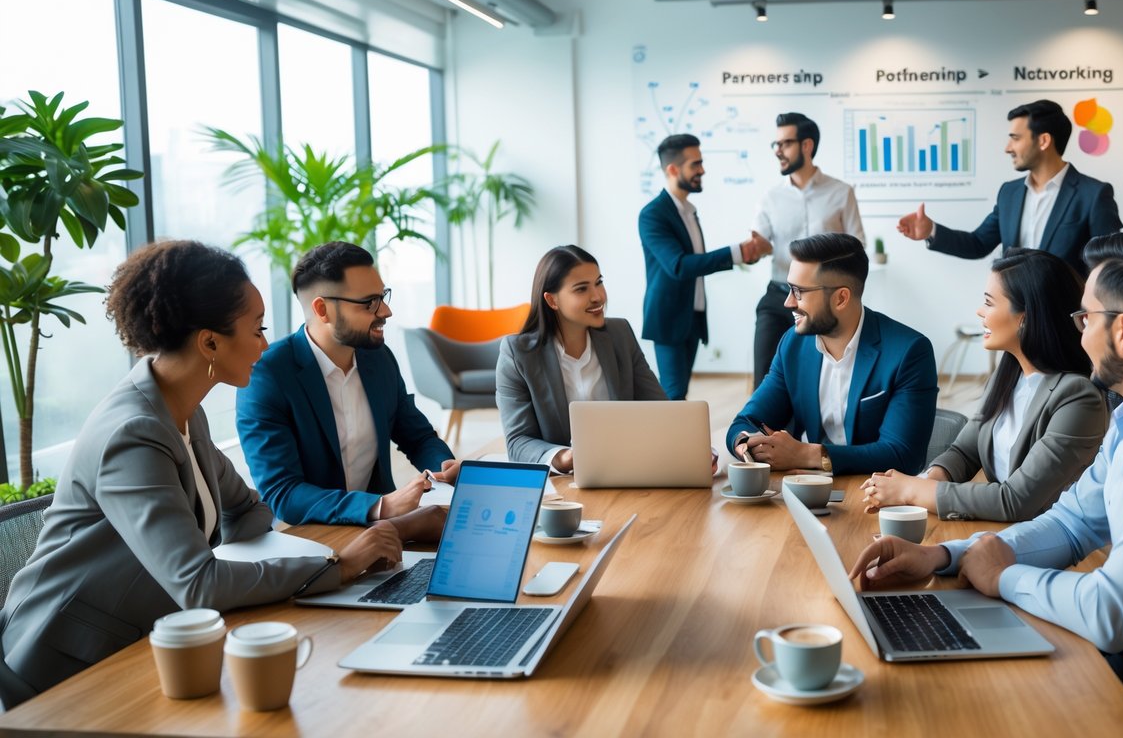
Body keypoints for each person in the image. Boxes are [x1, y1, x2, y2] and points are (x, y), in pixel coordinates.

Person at [849, 231, 1123, 738]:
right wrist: (945, 558)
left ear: (1122, 330)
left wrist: (1002, 577)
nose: (1077, 334)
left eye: (1084, 318)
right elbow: (1074, 524)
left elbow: (1112, 613)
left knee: (966, 705)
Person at [0, 241, 415, 706]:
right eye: (257, 329)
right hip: (68, 666)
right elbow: (198, 584)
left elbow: (249, 512)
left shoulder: (181, 409)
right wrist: (337, 566)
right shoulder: (134, 433)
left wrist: (261, 571)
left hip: (156, 638)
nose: (265, 343)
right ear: (210, 342)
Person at [861, 249, 1107, 521]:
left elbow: (1015, 500)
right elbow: (964, 452)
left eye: (989, 303)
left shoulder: (1078, 398)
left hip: (1052, 547)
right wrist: (929, 479)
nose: (979, 311)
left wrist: (912, 490)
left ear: (1024, 317)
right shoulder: (1009, 374)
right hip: (1000, 533)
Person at [236, 242, 459, 527]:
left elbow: (417, 436)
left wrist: (444, 468)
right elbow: (283, 493)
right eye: (370, 302)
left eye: (382, 296)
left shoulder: (378, 359)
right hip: (312, 539)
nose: (386, 311)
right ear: (323, 310)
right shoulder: (268, 375)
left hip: (386, 531)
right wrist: (381, 505)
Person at [727, 233, 936, 476]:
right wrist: (747, 447)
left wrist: (805, 454)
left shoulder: (909, 352)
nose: (788, 302)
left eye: (798, 291)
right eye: (788, 289)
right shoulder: (792, 344)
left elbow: (903, 455)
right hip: (806, 487)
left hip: (875, 494)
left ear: (841, 298)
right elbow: (746, 421)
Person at [897, 99, 1123, 274]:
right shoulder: (1009, 193)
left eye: (1015, 138)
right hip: (1015, 317)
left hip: (1067, 323)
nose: (1008, 147)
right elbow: (978, 244)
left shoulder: (1093, 194)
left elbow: (1108, 266)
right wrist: (931, 231)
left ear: (1043, 141)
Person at [498, 245, 667, 471]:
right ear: (552, 301)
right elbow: (518, 442)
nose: (598, 297)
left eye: (599, 282)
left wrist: (688, 448)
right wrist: (565, 457)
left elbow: (661, 410)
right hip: (564, 484)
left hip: (627, 467)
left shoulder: (620, 334)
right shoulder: (518, 353)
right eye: (581, 289)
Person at [639, 134, 771, 400]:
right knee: (674, 395)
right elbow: (678, 266)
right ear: (673, 169)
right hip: (669, 318)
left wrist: (745, 255)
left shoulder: (688, 210)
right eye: (695, 164)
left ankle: (675, 441)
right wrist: (737, 253)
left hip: (692, 315)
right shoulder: (652, 214)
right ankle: (669, 442)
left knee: (680, 391)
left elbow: (694, 263)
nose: (702, 170)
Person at [752, 112, 865, 386]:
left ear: (807, 146)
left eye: (785, 143)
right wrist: (755, 248)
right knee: (764, 377)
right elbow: (759, 245)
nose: (778, 151)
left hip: (823, 301)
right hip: (779, 295)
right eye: (776, 145)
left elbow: (857, 247)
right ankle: (758, 427)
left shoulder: (841, 192)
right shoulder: (770, 196)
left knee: (817, 377)